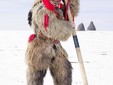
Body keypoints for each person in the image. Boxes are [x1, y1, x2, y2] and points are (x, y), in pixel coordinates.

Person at [25, 0, 79, 85]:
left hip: (55, 46)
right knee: (36, 78)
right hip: (40, 47)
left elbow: (70, 11)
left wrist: (71, 2)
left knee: (64, 74)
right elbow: (52, 29)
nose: (58, 1)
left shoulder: (56, 8)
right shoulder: (42, 9)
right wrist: (69, 27)